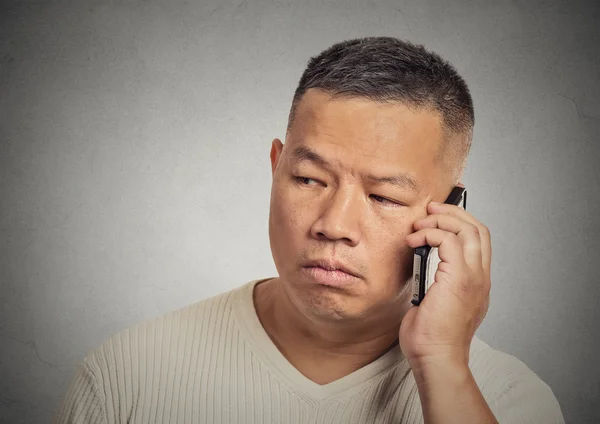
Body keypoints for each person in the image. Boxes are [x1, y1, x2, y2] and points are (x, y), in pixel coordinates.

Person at [54, 36, 564, 424]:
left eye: (383, 196)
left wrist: (442, 365)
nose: (333, 226)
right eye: (308, 179)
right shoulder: (126, 378)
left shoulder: (506, 399)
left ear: (449, 212)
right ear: (276, 166)